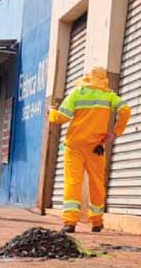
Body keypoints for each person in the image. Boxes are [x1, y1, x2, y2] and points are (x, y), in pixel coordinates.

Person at [48, 66, 130, 233]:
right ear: (104, 80)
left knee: (73, 182)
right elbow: (125, 110)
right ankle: (97, 221)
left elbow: (61, 118)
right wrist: (115, 132)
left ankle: (70, 222)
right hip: (96, 147)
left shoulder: (77, 93)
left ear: (87, 79)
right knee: (97, 183)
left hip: (74, 146)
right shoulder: (109, 96)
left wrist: (51, 112)